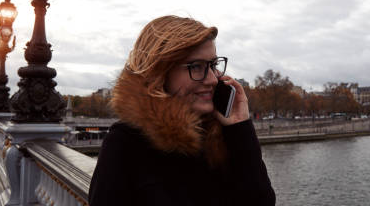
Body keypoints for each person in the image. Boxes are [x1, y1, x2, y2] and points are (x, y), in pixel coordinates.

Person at [88, 15, 276, 206]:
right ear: (159, 72)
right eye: (196, 67)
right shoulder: (125, 143)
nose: (212, 79)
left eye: (213, 65)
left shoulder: (221, 136)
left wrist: (240, 128)